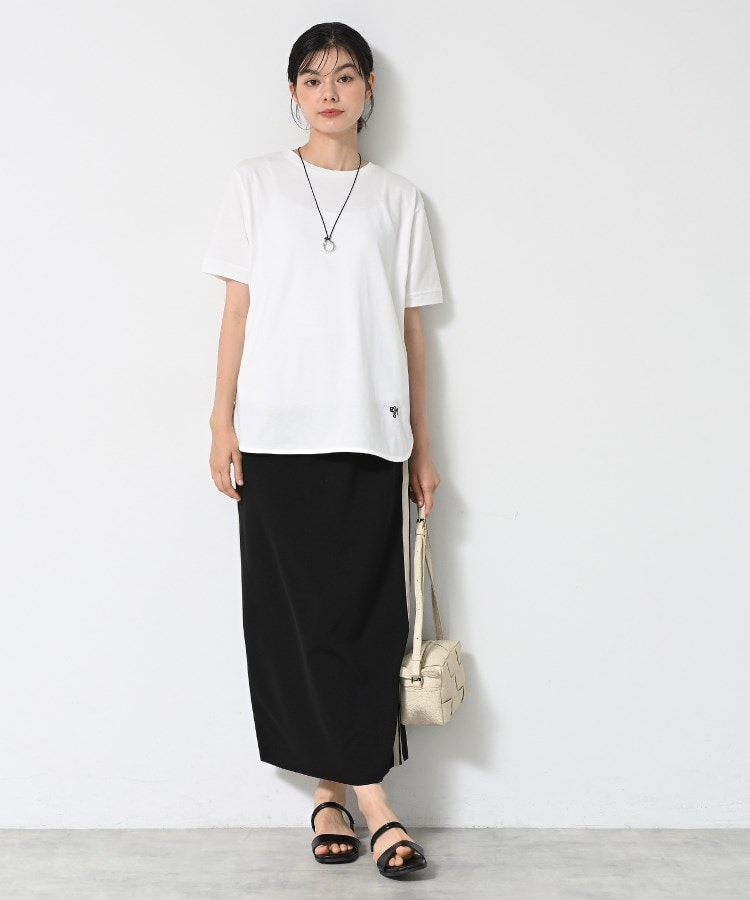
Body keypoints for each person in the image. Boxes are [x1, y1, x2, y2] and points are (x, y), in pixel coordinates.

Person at [201, 22, 443, 879]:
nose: (329, 92)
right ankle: (353, 795)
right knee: (293, 620)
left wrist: (422, 445)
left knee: (367, 620)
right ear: (293, 93)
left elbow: (411, 332)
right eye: (312, 78)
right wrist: (221, 421)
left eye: (344, 76)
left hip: (372, 431)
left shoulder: (400, 201)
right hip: (275, 431)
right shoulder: (256, 184)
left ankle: (347, 792)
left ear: (370, 87)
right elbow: (237, 310)